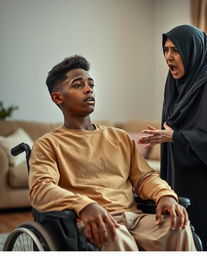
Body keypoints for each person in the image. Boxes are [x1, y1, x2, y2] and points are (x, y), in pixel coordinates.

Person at [28, 55, 196, 251]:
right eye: (77, 85)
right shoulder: (48, 144)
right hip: (92, 222)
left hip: (134, 218)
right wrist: (84, 205)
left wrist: (165, 195)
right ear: (58, 98)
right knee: (115, 234)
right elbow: (41, 189)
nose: (89, 89)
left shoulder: (119, 137)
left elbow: (145, 177)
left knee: (177, 227)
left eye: (91, 84)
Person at [138, 25, 207, 251]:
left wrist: (175, 137)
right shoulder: (175, 84)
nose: (169, 57)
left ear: (192, 50)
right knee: (182, 239)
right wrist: (169, 137)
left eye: (176, 50)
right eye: (166, 50)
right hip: (181, 176)